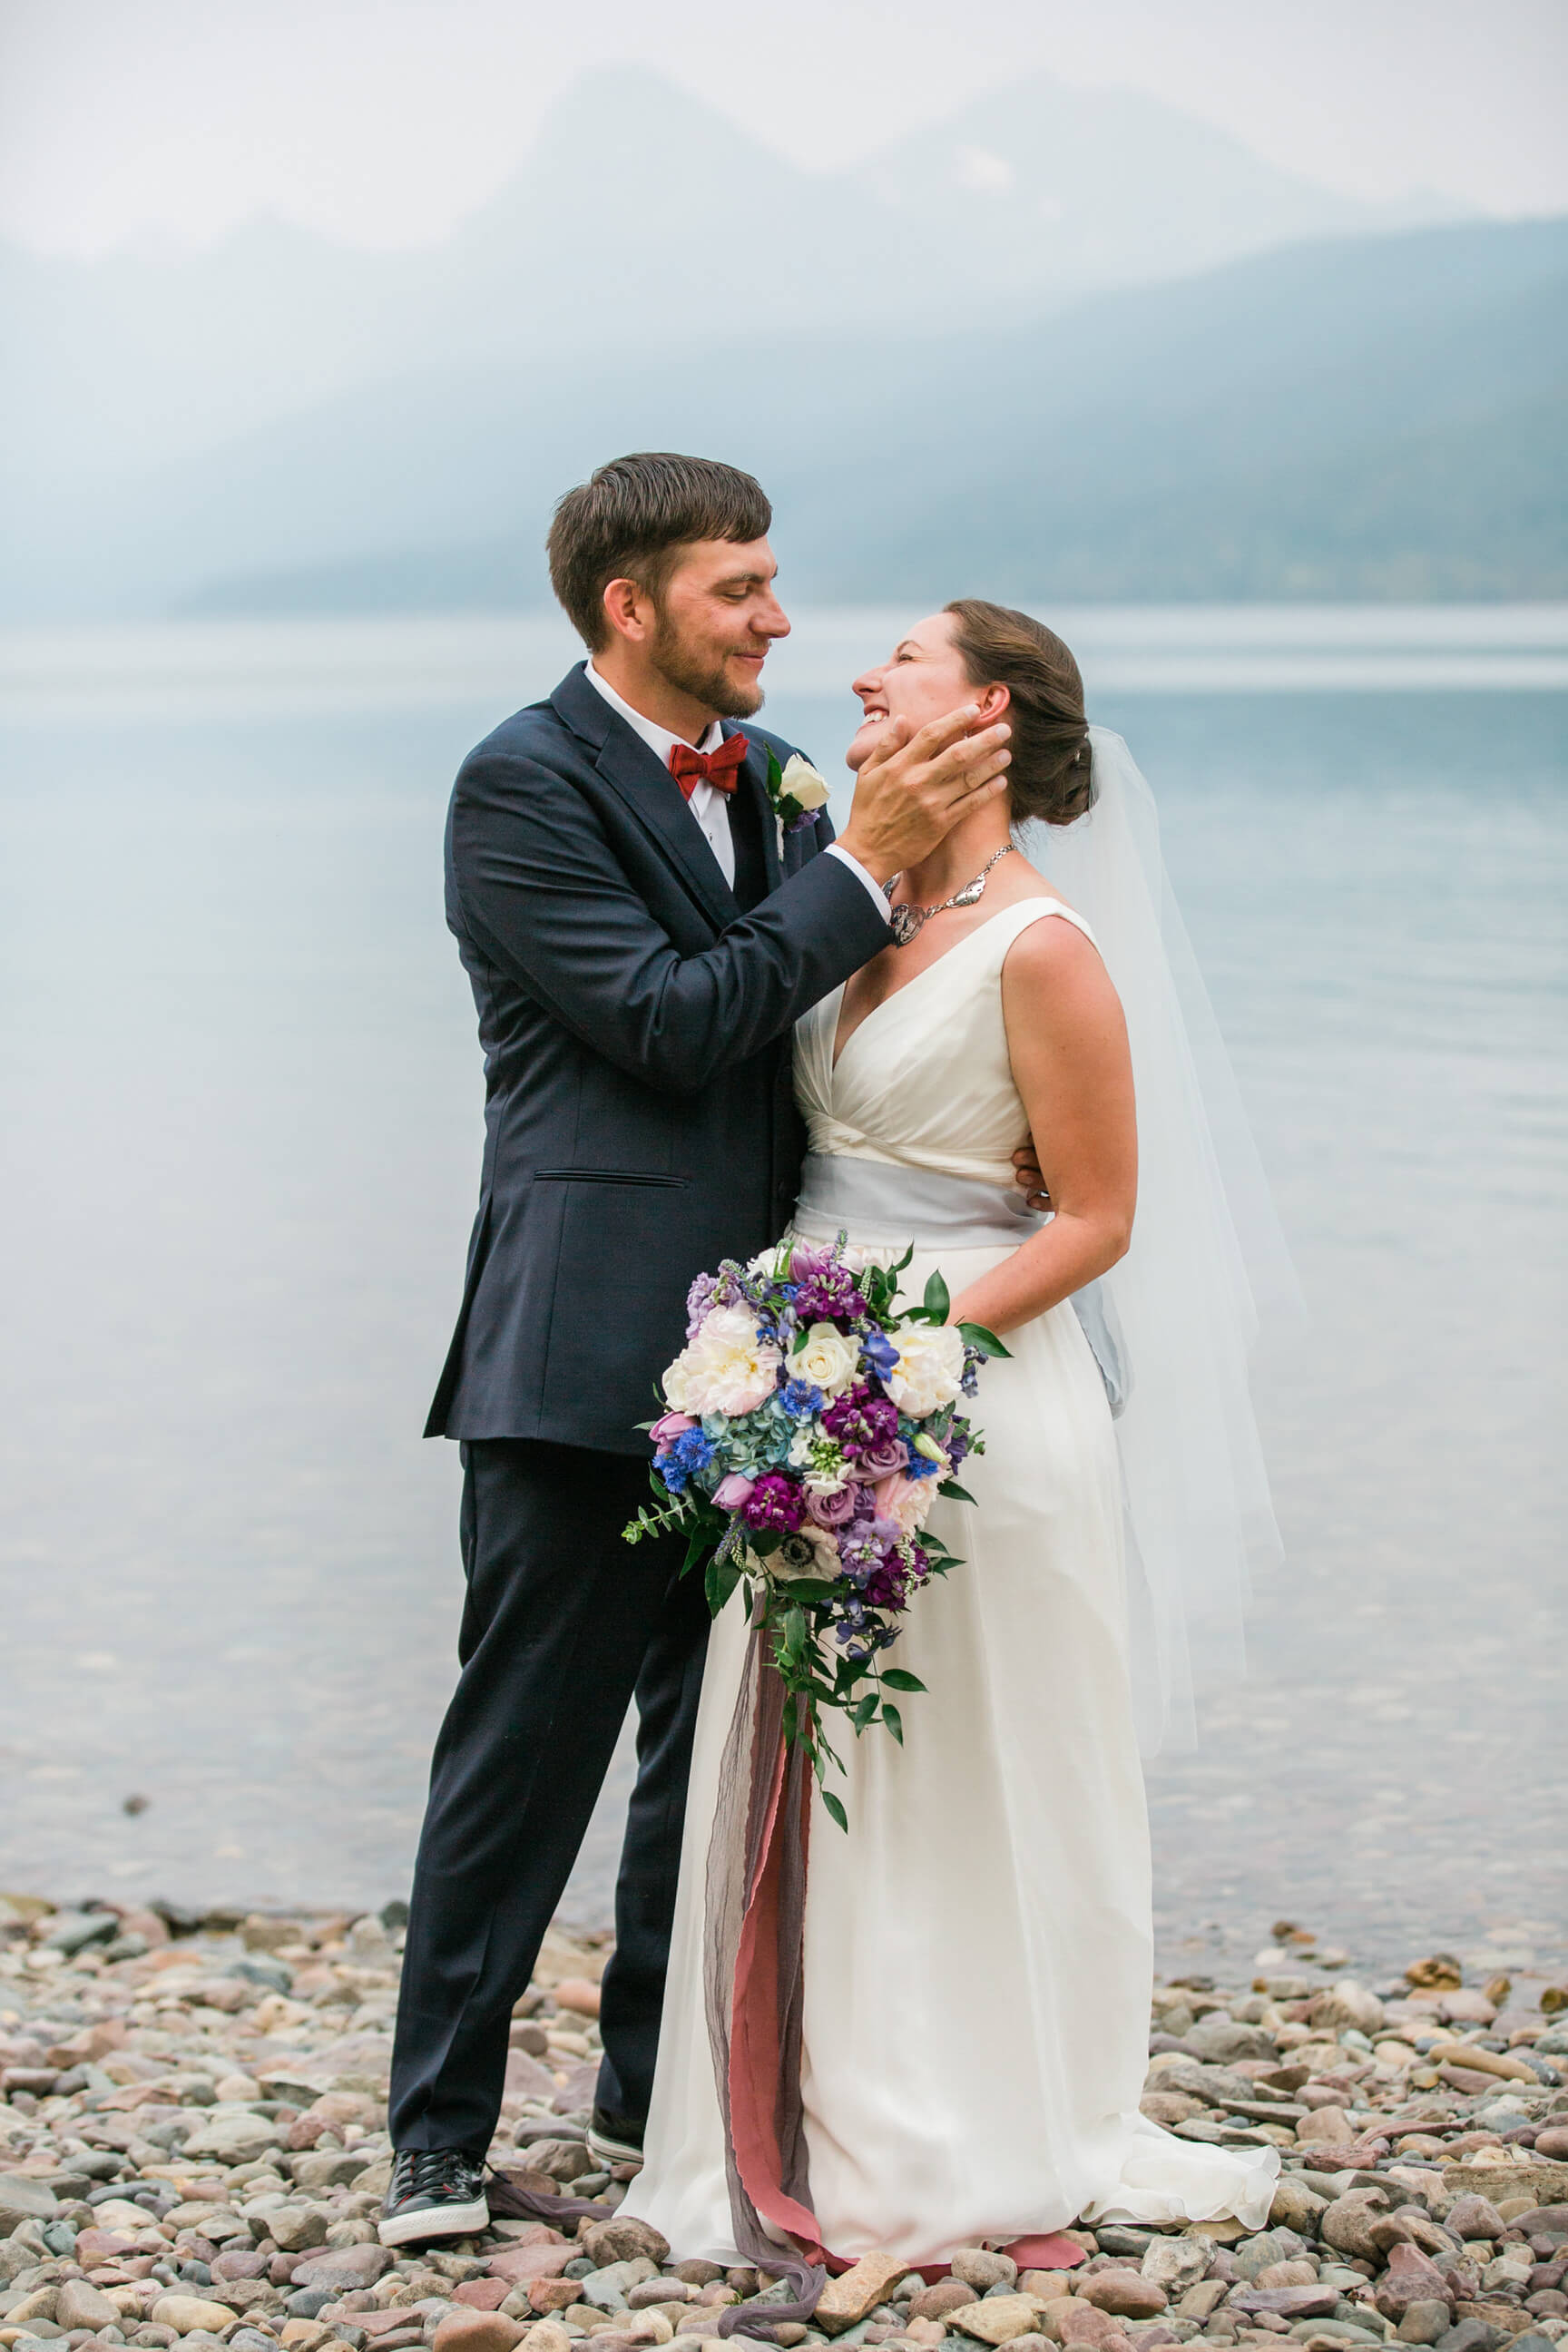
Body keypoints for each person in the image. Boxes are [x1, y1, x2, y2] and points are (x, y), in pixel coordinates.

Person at [381, 456, 1019, 2246]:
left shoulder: (779, 789)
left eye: (775, 580)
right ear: (630, 607)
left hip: (778, 1362)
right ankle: (435, 2143)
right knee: (521, 1763)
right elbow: (672, 1027)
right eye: (740, 588)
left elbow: (810, 1033)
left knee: (710, 1752)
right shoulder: (520, 784)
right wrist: (871, 867)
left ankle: (650, 2103)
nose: (780, 620)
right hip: (582, 1356)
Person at [627, 602, 1285, 2278]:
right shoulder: (844, 902)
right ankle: (812, 2100)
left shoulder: (1046, 949)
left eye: (902, 658)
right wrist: (786, 1372)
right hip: (799, 1387)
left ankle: (989, 2110)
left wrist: (900, 1354)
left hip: (969, 1396)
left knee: (974, 1763)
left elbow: (1097, 1218)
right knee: (824, 1760)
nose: (859, 674)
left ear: (986, 709)